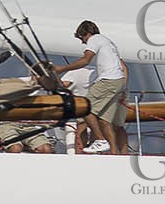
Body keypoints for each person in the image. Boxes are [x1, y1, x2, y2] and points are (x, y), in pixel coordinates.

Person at [49, 21, 128, 154]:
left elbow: (85, 60)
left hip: (108, 80)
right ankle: (114, 153)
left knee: (84, 109)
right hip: (118, 81)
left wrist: (61, 69)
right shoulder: (108, 42)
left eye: (82, 38)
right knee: (104, 120)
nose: (83, 42)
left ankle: (100, 140)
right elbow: (123, 65)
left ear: (87, 34)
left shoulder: (94, 39)